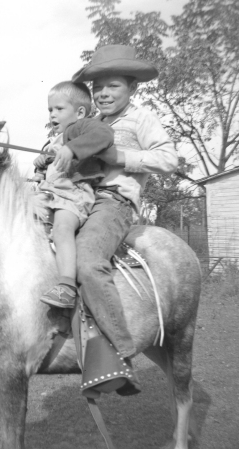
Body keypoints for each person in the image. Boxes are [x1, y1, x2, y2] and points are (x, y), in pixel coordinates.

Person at [71, 45, 178, 394]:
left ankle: (122, 351)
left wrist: (120, 157)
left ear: (131, 88)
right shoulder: (89, 123)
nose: (102, 93)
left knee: (87, 262)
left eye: (112, 85)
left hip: (114, 202)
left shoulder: (141, 118)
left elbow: (168, 159)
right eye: (98, 87)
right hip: (79, 199)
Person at [32, 81, 115, 309]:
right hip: (50, 194)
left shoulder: (80, 128)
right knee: (21, 217)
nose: (52, 115)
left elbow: (104, 134)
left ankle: (67, 287)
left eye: (59, 109)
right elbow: (47, 170)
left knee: (62, 229)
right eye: (50, 110)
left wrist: (72, 149)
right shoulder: (53, 141)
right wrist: (42, 163)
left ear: (79, 112)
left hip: (73, 194)